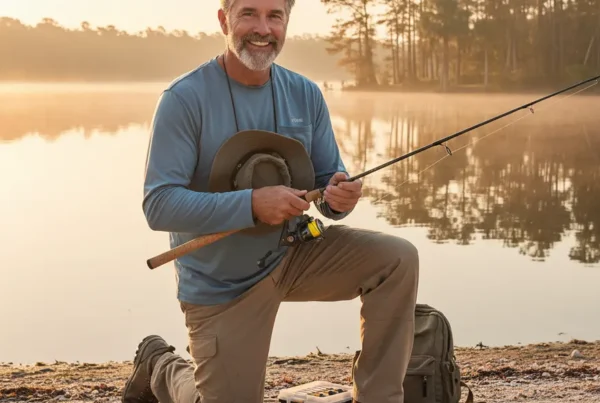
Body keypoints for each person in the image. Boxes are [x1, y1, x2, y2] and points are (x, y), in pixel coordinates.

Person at [121, 0, 419, 402]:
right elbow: (159, 204)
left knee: (397, 258)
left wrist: (340, 197)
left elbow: (327, 185)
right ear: (224, 20)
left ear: (286, 22)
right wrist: (252, 204)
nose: (263, 28)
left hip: (295, 253)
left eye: (274, 16)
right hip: (222, 283)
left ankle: (380, 397)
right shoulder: (183, 98)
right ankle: (162, 366)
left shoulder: (305, 93)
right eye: (249, 13)